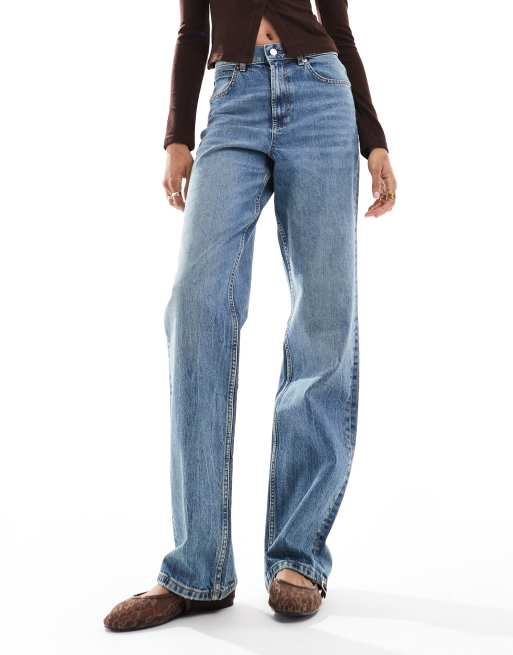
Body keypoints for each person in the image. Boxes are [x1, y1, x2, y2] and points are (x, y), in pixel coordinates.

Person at [104, 0, 397, 631]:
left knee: (324, 315)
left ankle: (298, 558)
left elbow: (338, 27)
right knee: (196, 303)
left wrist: (374, 140)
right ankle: (198, 570)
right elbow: (192, 30)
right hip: (233, 100)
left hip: (321, 97)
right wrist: (178, 136)